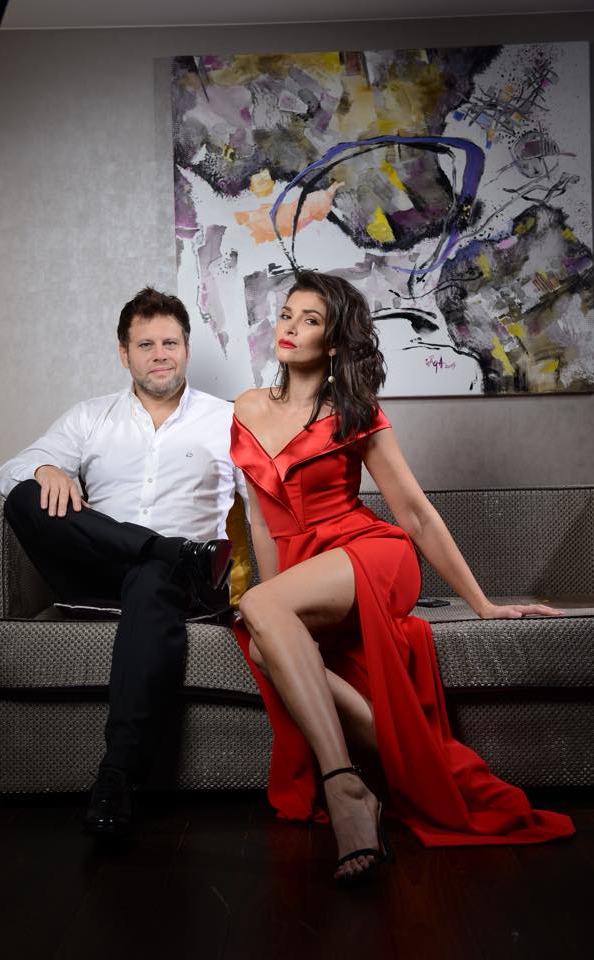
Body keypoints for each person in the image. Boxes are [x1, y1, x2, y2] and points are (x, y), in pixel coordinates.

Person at [230, 270, 575, 888]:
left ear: (334, 341)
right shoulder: (248, 407)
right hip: (305, 568)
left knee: (264, 612)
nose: (290, 328)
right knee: (262, 640)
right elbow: (260, 519)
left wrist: (483, 603)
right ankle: (408, 761)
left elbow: (414, 513)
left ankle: (344, 788)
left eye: (310, 320)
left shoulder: (356, 412)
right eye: (286, 315)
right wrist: (274, 605)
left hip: (367, 553)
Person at [0, 287, 246, 837]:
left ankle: (117, 774)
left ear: (187, 348)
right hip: (96, 572)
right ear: (124, 353)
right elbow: (8, 472)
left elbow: (270, 505)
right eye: (146, 344)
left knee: (154, 572)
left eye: (170, 343)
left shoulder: (228, 420)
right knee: (23, 494)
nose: (160, 354)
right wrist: (45, 469)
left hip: (181, 585)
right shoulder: (90, 417)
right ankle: (167, 548)